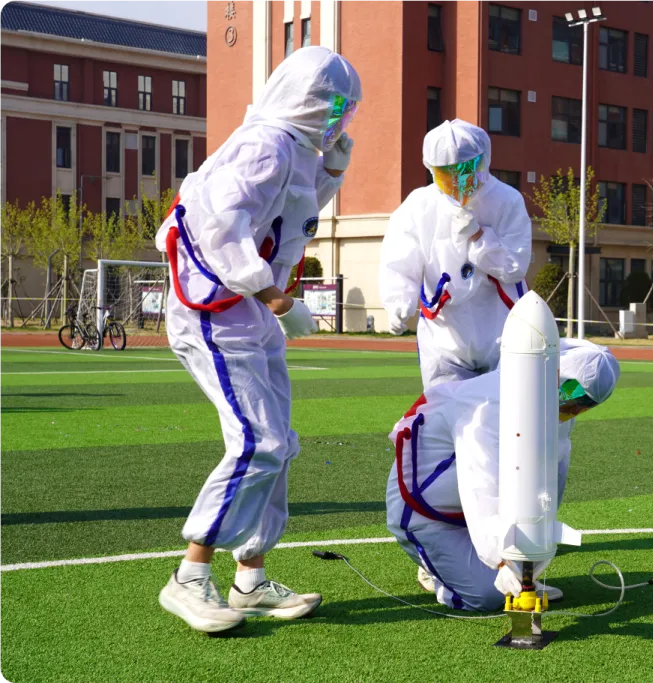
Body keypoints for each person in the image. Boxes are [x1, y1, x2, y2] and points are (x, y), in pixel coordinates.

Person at [154, 46, 362, 633]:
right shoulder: (265, 143)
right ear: (306, 100)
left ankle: (250, 577)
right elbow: (220, 225)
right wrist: (274, 296)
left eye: (345, 112)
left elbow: (288, 210)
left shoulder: (290, 148)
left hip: (247, 312)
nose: (338, 120)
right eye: (333, 108)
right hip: (219, 311)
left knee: (279, 443)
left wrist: (331, 172)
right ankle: (189, 575)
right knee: (258, 440)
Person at [385, 338, 619, 611]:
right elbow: (479, 484)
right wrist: (500, 558)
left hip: (469, 511)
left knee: (516, 573)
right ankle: (438, 574)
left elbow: (552, 471)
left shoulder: (549, 404)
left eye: (585, 405)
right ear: (556, 377)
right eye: (574, 399)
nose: (574, 409)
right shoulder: (488, 405)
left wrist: (538, 536)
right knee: (486, 597)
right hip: (427, 514)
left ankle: (467, 564)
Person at [379, 119, 532, 389]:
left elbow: (514, 266)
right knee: (446, 407)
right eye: (447, 174)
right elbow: (400, 258)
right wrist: (398, 300)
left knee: (503, 409)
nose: (458, 181)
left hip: (500, 328)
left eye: (466, 170)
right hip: (444, 335)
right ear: (432, 170)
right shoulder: (420, 205)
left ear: (483, 161)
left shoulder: (507, 200)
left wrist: (479, 237)